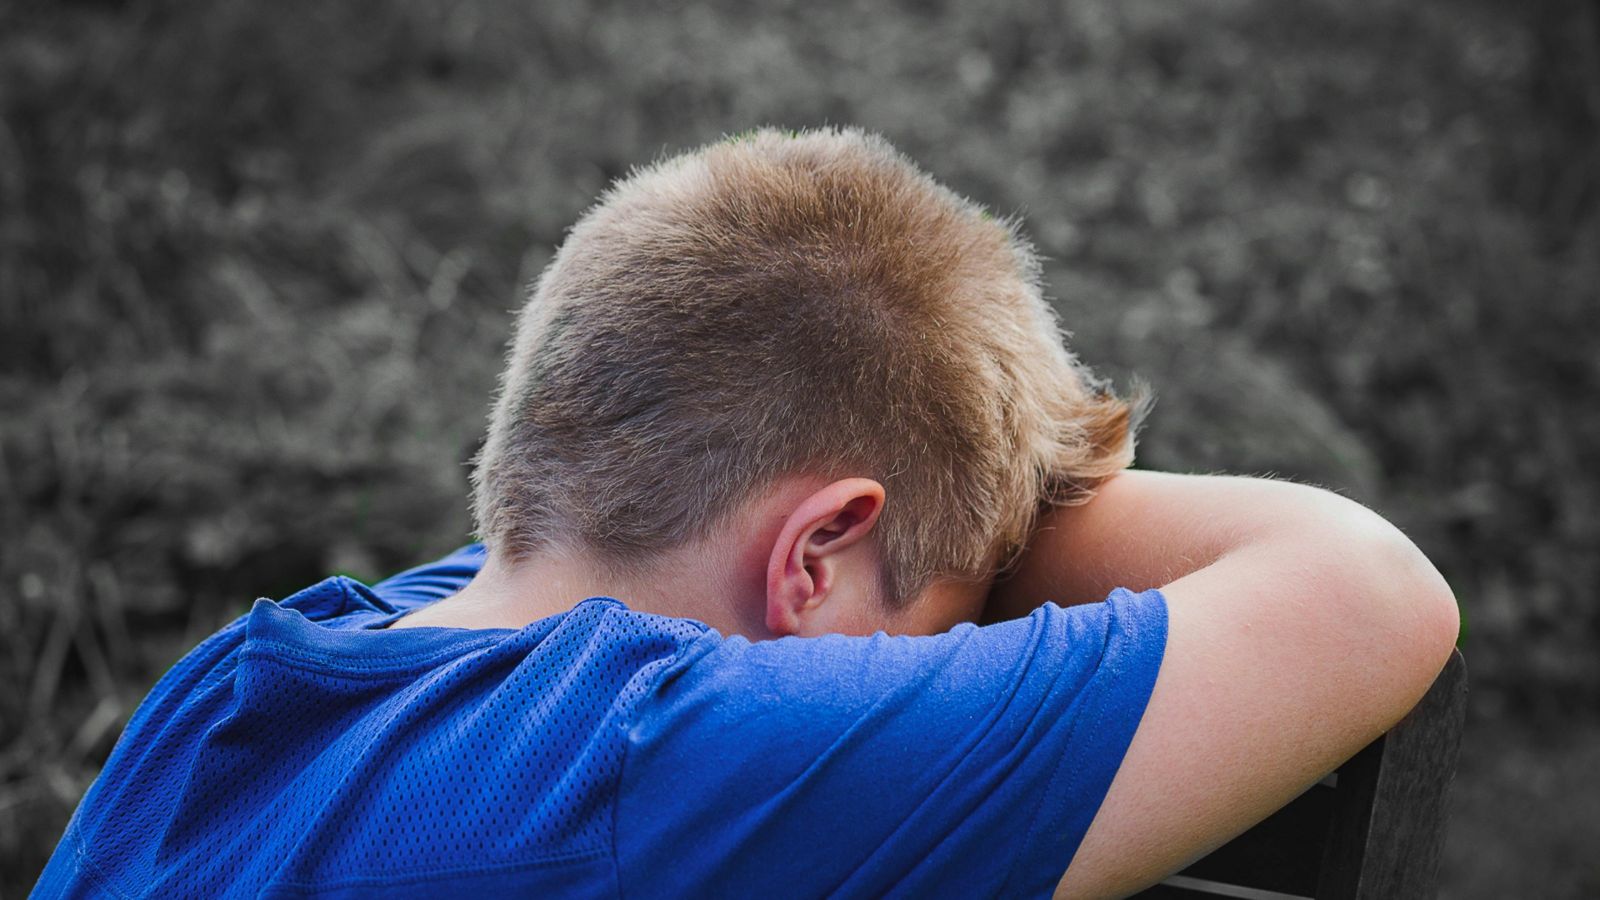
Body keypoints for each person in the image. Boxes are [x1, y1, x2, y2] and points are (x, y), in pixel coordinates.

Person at [34, 128, 1459, 899]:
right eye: (941, 631)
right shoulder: (661, 756)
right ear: (816, 553)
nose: (917, 673)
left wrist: (952, 516)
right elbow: (1368, 591)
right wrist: (1010, 510)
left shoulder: (238, 684)